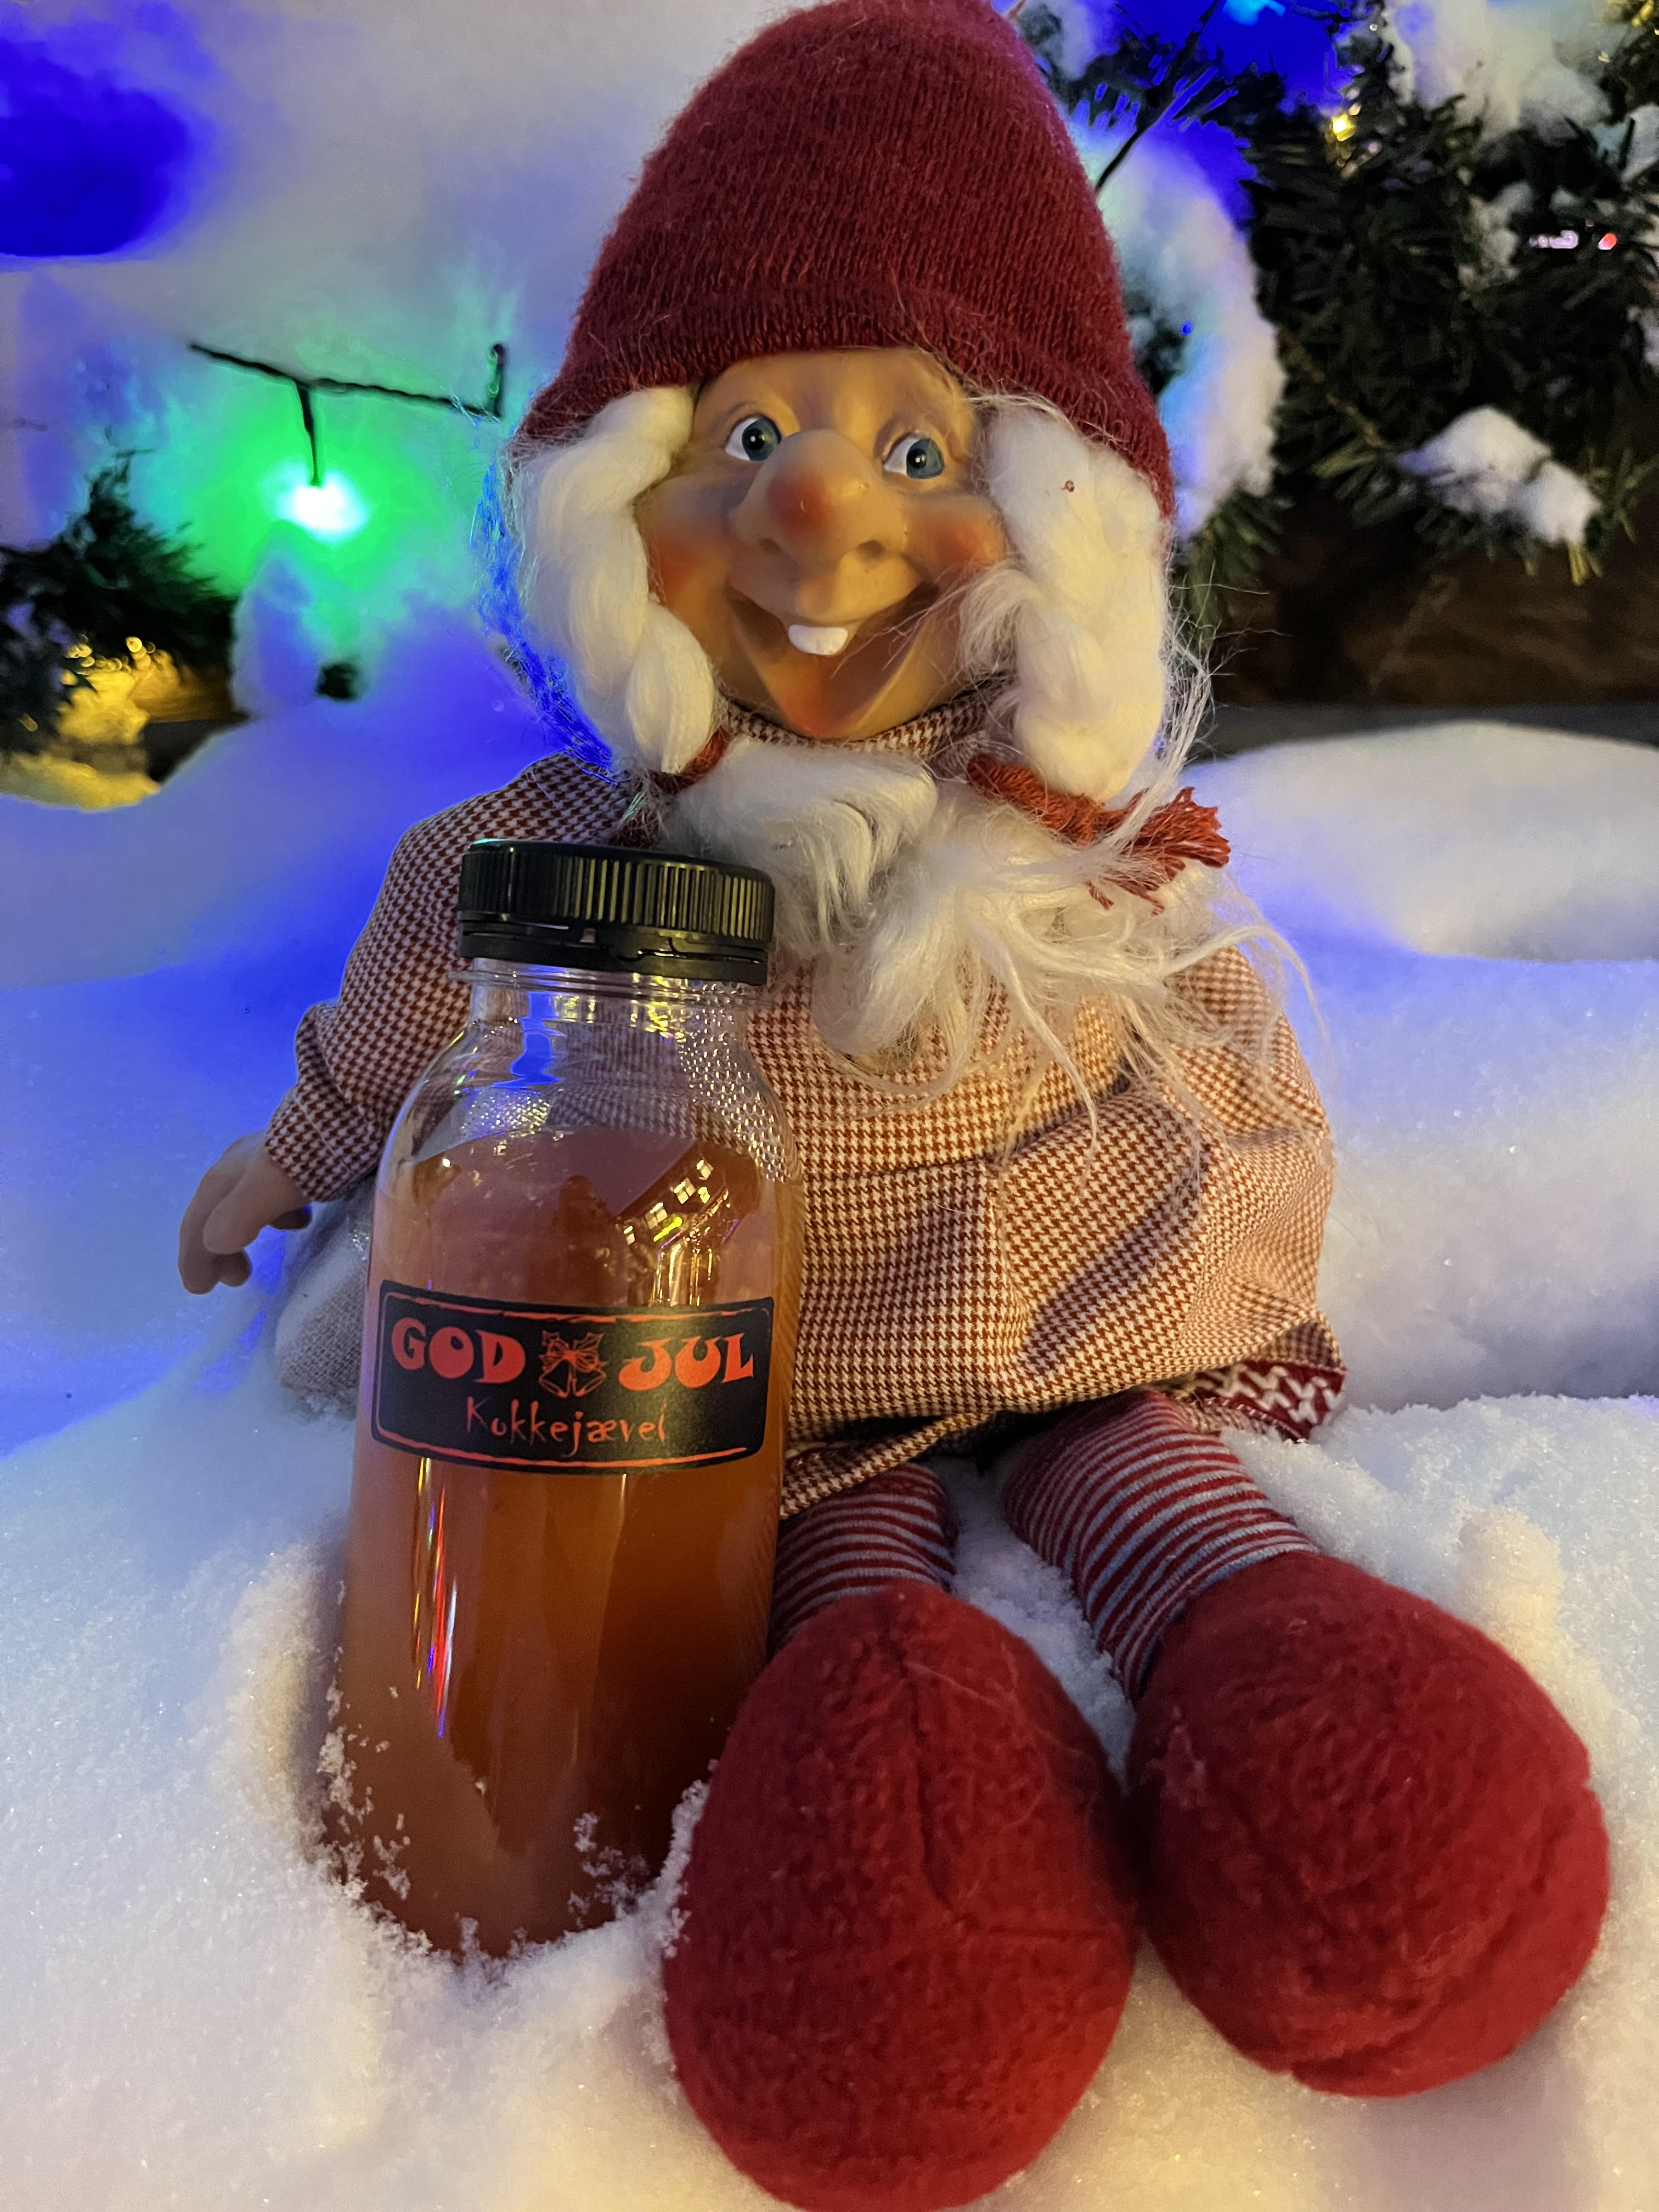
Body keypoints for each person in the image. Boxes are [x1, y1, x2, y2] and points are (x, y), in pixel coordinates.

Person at [176, 4, 1607, 2206]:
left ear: (1050, 518)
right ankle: (895, 1760)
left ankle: (1248, 1628)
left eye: (920, 451)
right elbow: (410, 1029)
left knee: (1145, 1477)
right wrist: (284, 1163)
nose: (821, 509)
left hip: (1076, 1340)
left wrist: (1249, 1238)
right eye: (744, 439)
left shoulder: (1063, 854)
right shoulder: (566, 863)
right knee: (836, 1590)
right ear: (616, 503)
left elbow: (1219, 1045)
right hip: (750, 1411)